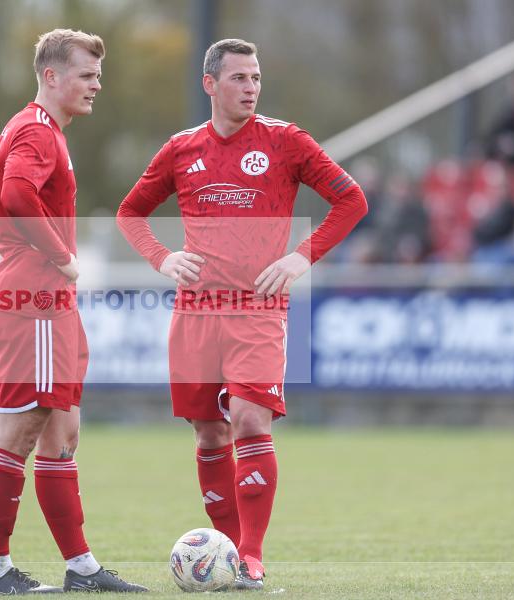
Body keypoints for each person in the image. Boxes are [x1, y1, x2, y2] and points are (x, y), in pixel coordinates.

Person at [117, 39, 367, 590]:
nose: (251, 88)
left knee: (250, 422)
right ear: (210, 84)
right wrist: (163, 257)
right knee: (210, 436)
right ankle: (225, 553)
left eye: (255, 78)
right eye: (239, 78)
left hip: (257, 308)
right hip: (196, 312)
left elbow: (352, 201)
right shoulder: (182, 149)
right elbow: (130, 212)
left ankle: (251, 558)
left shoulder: (286, 142)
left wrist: (301, 256)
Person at [0, 29, 146, 594]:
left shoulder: (38, 130)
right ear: (51, 76)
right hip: (35, 301)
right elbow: (17, 196)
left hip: (49, 302)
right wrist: (61, 257)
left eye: (98, 75)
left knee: (62, 433)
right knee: (20, 432)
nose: (97, 85)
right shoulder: (36, 130)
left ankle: (81, 569)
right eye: (86, 75)